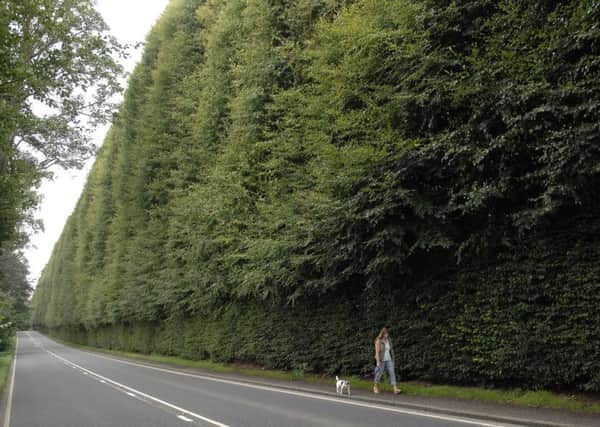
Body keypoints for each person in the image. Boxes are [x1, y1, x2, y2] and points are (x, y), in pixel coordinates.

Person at [373, 326, 401, 394]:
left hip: (389, 359)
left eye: (387, 334)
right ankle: (375, 387)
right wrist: (378, 362)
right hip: (381, 360)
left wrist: (393, 360)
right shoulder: (378, 341)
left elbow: (391, 350)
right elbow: (376, 352)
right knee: (379, 374)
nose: (387, 335)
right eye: (385, 334)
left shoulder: (389, 340)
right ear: (382, 334)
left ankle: (395, 388)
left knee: (392, 373)